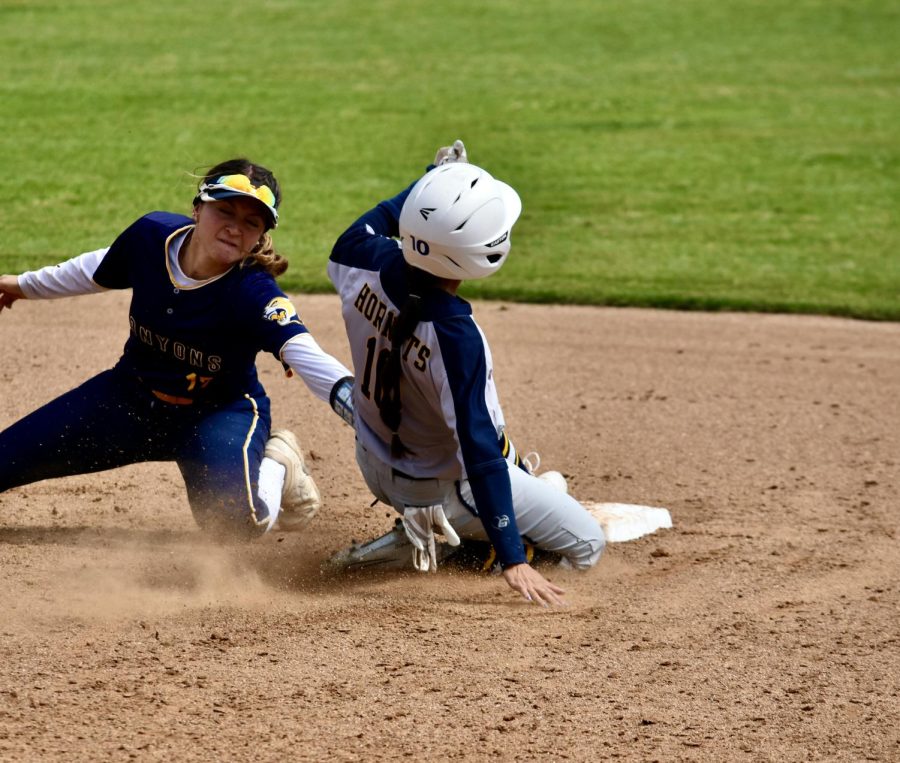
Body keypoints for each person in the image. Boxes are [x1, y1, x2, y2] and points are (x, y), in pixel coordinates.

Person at [0, 158, 354, 538]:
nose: (235, 228)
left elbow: (302, 350)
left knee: (236, 527)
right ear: (198, 208)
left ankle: (279, 462)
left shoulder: (252, 291)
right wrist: (20, 284)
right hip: (128, 400)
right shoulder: (152, 237)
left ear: (261, 235)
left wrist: (359, 407)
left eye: (252, 222)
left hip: (217, 417)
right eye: (225, 211)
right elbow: (99, 267)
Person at [326, 141, 605, 606]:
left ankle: (453, 523)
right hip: (438, 487)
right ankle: (434, 545)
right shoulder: (456, 336)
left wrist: (433, 183)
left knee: (510, 462)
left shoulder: (358, 255)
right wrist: (513, 557)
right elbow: (478, 454)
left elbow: (386, 215)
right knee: (587, 546)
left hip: (373, 462)